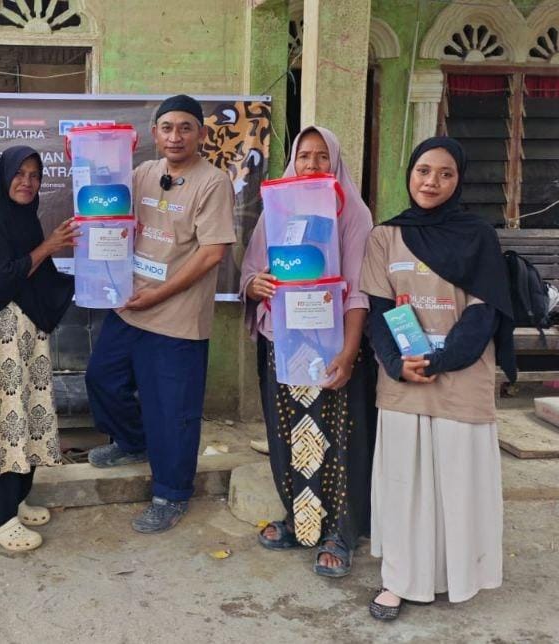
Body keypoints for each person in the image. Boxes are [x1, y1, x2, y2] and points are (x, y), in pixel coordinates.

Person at [360, 137, 515, 620]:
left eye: (445, 173)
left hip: (460, 376)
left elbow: (483, 312)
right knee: (404, 481)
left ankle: (457, 574)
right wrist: (395, 362)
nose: (432, 182)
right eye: (424, 170)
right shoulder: (385, 237)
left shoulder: (478, 236)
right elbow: (377, 309)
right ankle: (399, 581)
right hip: (403, 377)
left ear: (458, 180)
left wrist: (442, 362)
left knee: (457, 480)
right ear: (410, 174)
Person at [85, 94, 237, 534]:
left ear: (201, 135)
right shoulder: (143, 174)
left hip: (177, 318)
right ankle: (133, 442)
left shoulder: (213, 182)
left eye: (186, 128)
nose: (176, 136)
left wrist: (159, 294)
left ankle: (171, 493)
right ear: (154, 134)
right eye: (167, 128)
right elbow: (112, 221)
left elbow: (211, 254)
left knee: (172, 409)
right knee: (102, 379)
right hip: (131, 307)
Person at [239, 126, 376, 577]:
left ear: (335, 162)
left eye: (321, 157)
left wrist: (350, 351)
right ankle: (301, 521)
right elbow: (255, 268)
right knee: (289, 432)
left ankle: (341, 529)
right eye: (305, 157)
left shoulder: (352, 213)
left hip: (333, 343)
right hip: (285, 341)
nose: (313, 166)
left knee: (339, 435)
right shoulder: (277, 209)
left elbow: (358, 290)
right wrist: (254, 284)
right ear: (293, 161)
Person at [0, 145, 77, 552]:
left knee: (24, 414)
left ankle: (15, 498)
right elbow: (3, 279)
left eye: (34, 175)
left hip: (25, 336)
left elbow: (39, 276)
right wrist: (49, 246)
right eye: (20, 173)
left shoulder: (26, 219)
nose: (27, 182)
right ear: (3, 175)